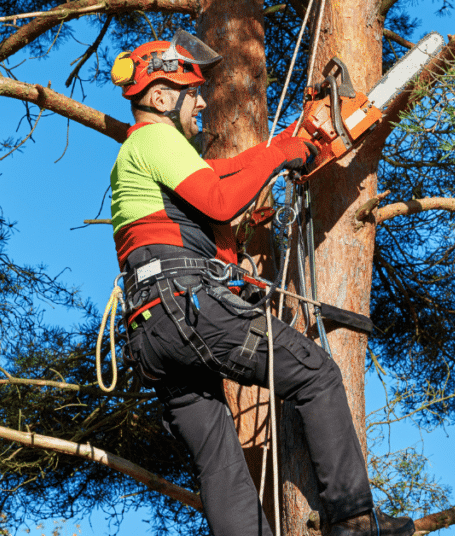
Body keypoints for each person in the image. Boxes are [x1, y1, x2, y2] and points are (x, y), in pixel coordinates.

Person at [108, 30, 415, 536]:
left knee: (219, 460)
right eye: (192, 91)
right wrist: (279, 156)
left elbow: (221, 174)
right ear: (160, 97)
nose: (202, 101)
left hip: (153, 331)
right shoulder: (154, 138)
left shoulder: (141, 159)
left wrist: (286, 148)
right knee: (315, 373)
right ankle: (354, 522)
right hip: (187, 308)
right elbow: (222, 199)